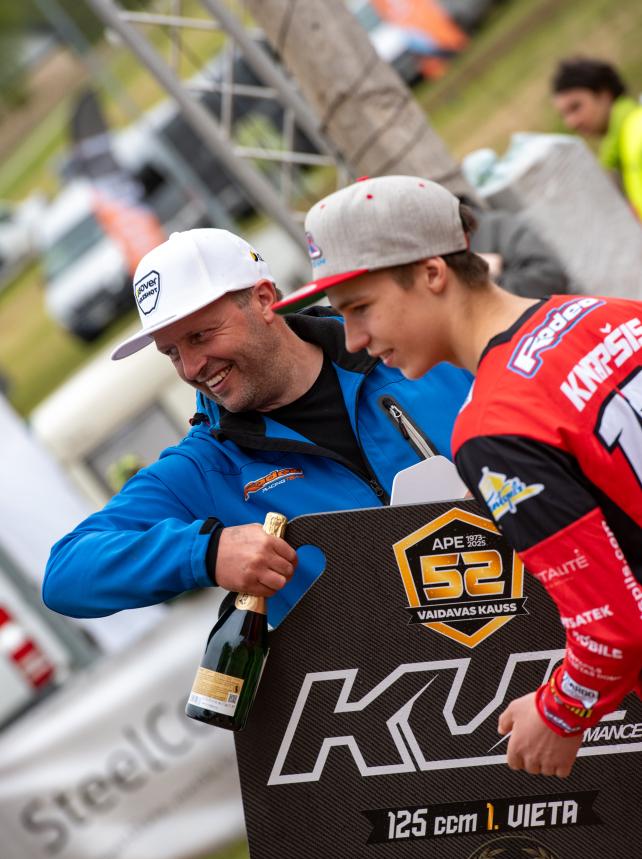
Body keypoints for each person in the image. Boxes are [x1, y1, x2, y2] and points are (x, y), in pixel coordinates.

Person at [273, 174, 642, 859]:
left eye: (360, 308)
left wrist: (559, 713)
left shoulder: (496, 425)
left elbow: (613, 628)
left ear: (433, 272)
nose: (355, 339)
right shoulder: (607, 316)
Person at [42, 228, 473, 626]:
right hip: (424, 678)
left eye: (200, 336)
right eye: (171, 352)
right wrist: (206, 553)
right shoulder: (206, 467)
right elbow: (66, 573)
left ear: (264, 299)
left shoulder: (411, 345)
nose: (191, 367)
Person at [551, 57, 642, 219]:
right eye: (563, 115)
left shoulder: (637, 134)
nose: (571, 123)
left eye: (576, 107)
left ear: (604, 95)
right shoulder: (619, 150)